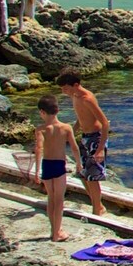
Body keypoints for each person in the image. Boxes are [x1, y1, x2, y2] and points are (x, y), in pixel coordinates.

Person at [55, 70, 109, 216]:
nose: (63, 91)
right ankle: (98, 204)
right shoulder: (75, 96)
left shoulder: (87, 98)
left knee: (92, 177)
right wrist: (72, 132)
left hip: (95, 139)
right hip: (85, 137)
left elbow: (105, 123)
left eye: (65, 88)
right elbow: (81, 117)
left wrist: (100, 149)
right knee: (83, 174)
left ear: (76, 85)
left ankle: (97, 209)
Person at [30, 95, 81, 242]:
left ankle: (54, 230)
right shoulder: (66, 128)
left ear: (42, 112)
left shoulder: (41, 129)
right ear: (57, 110)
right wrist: (78, 163)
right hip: (59, 165)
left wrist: (36, 170)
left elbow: (39, 148)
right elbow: (74, 148)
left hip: (47, 165)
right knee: (59, 200)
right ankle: (57, 232)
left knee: (51, 199)